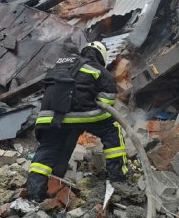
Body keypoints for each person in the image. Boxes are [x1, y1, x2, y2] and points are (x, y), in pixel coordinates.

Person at [25, 41, 128, 200]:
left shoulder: (61, 64)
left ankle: (34, 193)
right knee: (112, 129)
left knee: (48, 148)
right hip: (82, 115)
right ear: (101, 56)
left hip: (49, 116)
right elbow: (107, 102)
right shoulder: (98, 69)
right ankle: (118, 179)